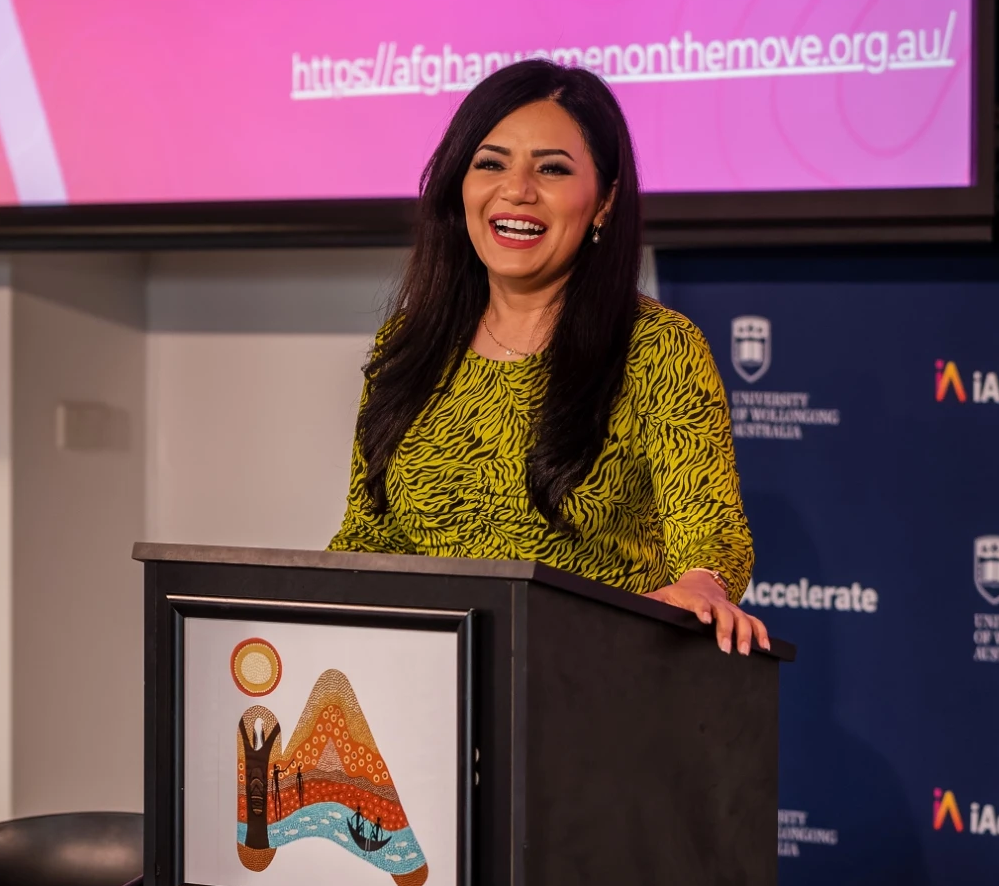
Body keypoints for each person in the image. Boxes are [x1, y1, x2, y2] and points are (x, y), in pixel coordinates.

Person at [329, 60, 769, 655]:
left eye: (552, 169)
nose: (516, 190)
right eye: (491, 163)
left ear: (606, 201)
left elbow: (709, 541)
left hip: (590, 698)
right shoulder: (410, 344)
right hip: (424, 696)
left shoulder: (658, 346)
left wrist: (700, 587)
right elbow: (366, 535)